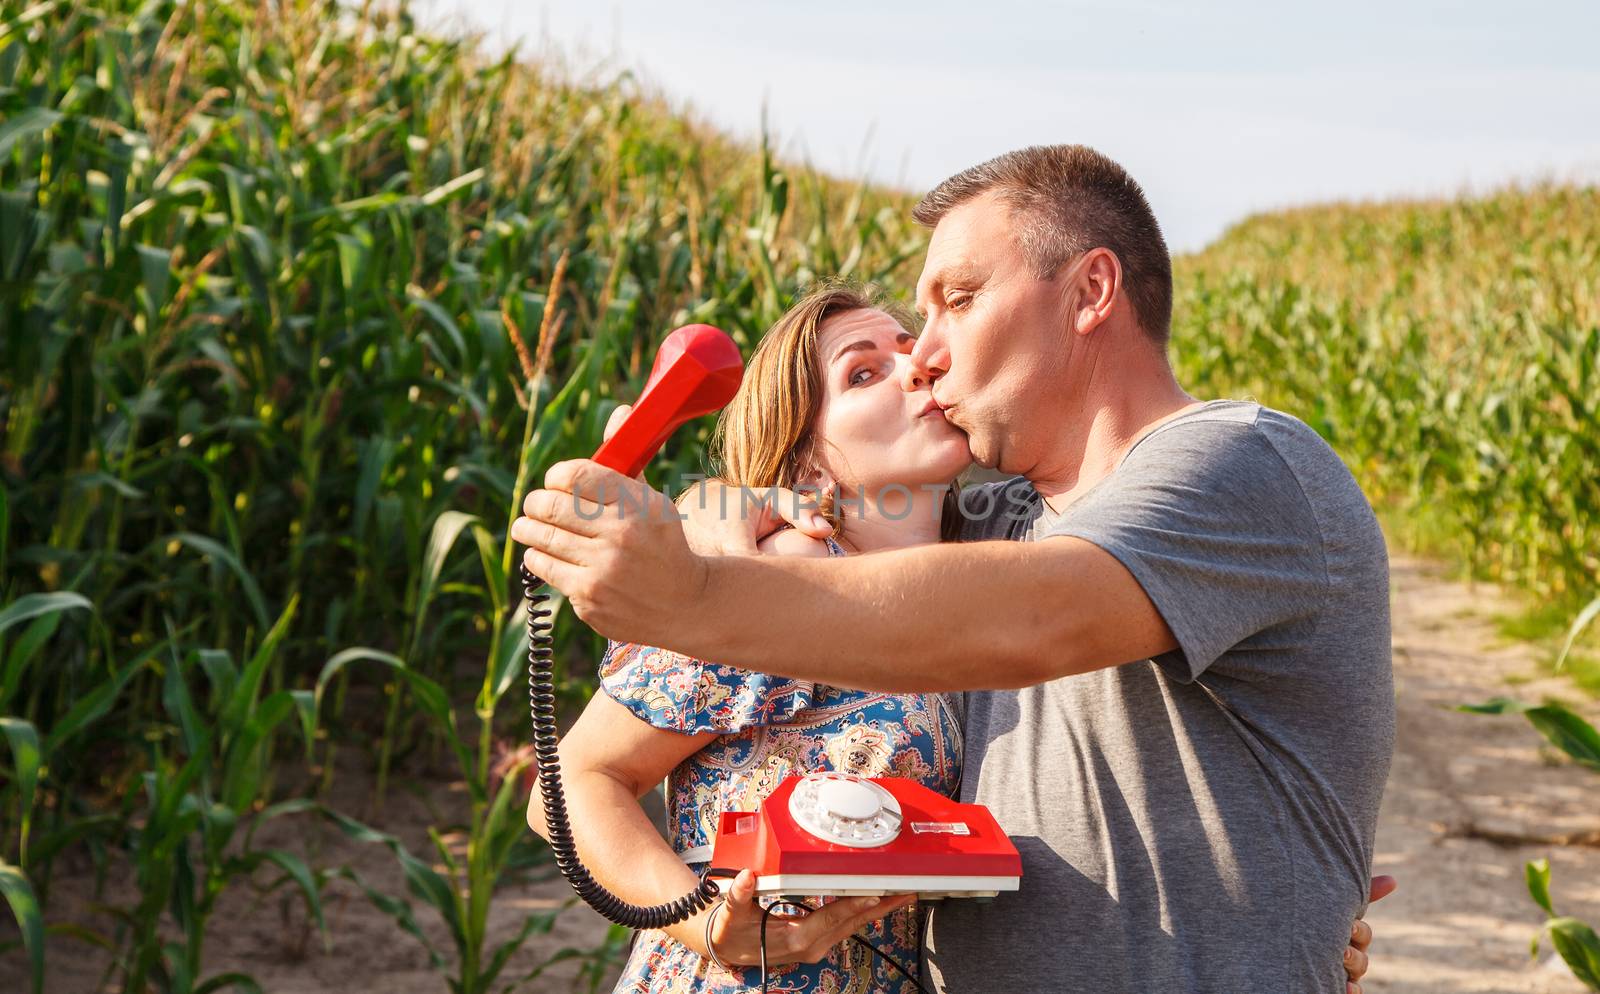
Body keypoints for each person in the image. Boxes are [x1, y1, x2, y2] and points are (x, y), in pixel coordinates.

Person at [515, 145, 1396, 993]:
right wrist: (723, 507)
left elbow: (1030, 617)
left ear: (1092, 291)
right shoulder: (989, 525)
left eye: (959, 301)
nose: (923, 358)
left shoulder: (1236, 462)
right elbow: (850, 543)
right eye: (894, 346)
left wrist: (699, 589)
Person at [526, 286, 968, 993]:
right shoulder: (783, 575)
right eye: (862, 372)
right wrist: (701, 921)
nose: (914, 369)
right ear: (809, 465)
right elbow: (577, 780)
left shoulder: (990, 567)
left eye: (911, 351)